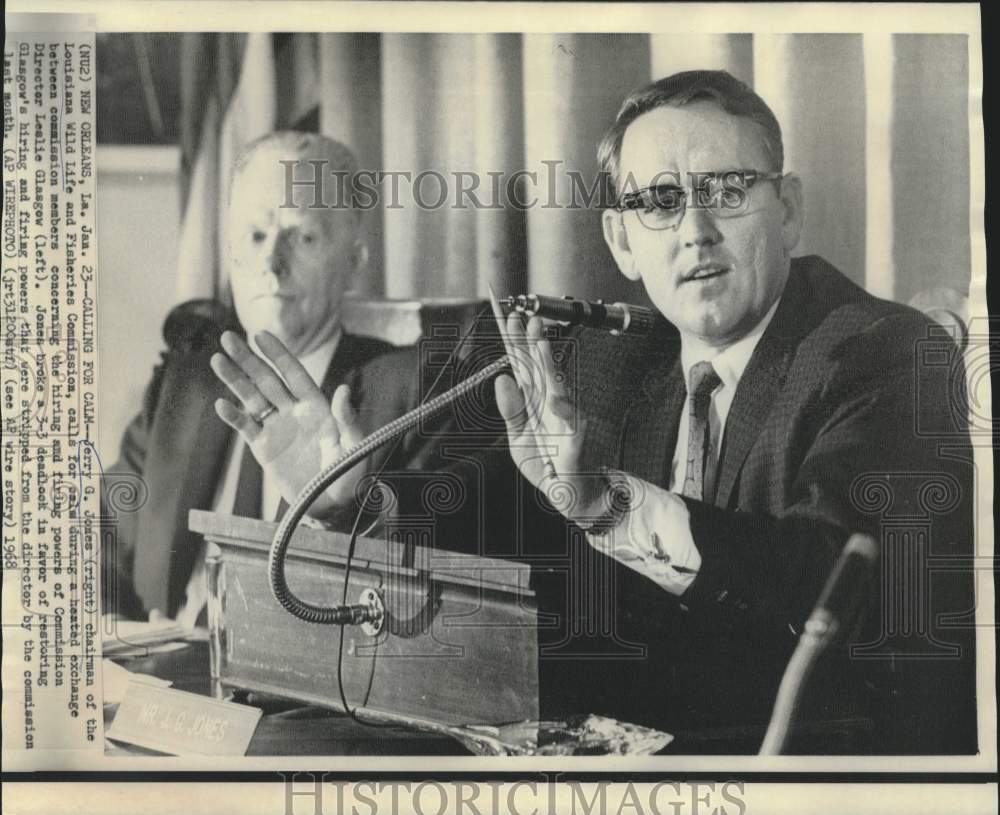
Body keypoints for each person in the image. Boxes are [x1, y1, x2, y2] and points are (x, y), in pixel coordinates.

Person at [210, 73, 976, 754]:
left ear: (788, 209)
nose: (694, 230)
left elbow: (831, 577)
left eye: (728, 190)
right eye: (660, 202)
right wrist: (349, 499)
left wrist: (609, 505)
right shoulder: (611, 357)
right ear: (621, 241)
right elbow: (486, 514)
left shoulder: (883, 351)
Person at [101, 131, 446, 626]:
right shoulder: (185, 381)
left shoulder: (412, 394)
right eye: (256, 237)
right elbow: (102, 540)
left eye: (303, 236)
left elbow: (424, 596)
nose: (271, 263)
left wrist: (338, 511)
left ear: (354, 263)